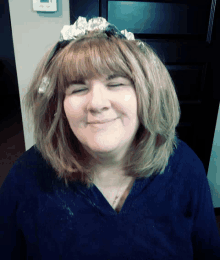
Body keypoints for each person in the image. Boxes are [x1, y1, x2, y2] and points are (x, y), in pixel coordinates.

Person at [0, 16, 220, 260]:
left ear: (146, 94)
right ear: (58, 105)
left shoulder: (184, 168)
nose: (97, 104)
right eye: (78, 89)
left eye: (116, 84)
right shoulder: (26, 177)